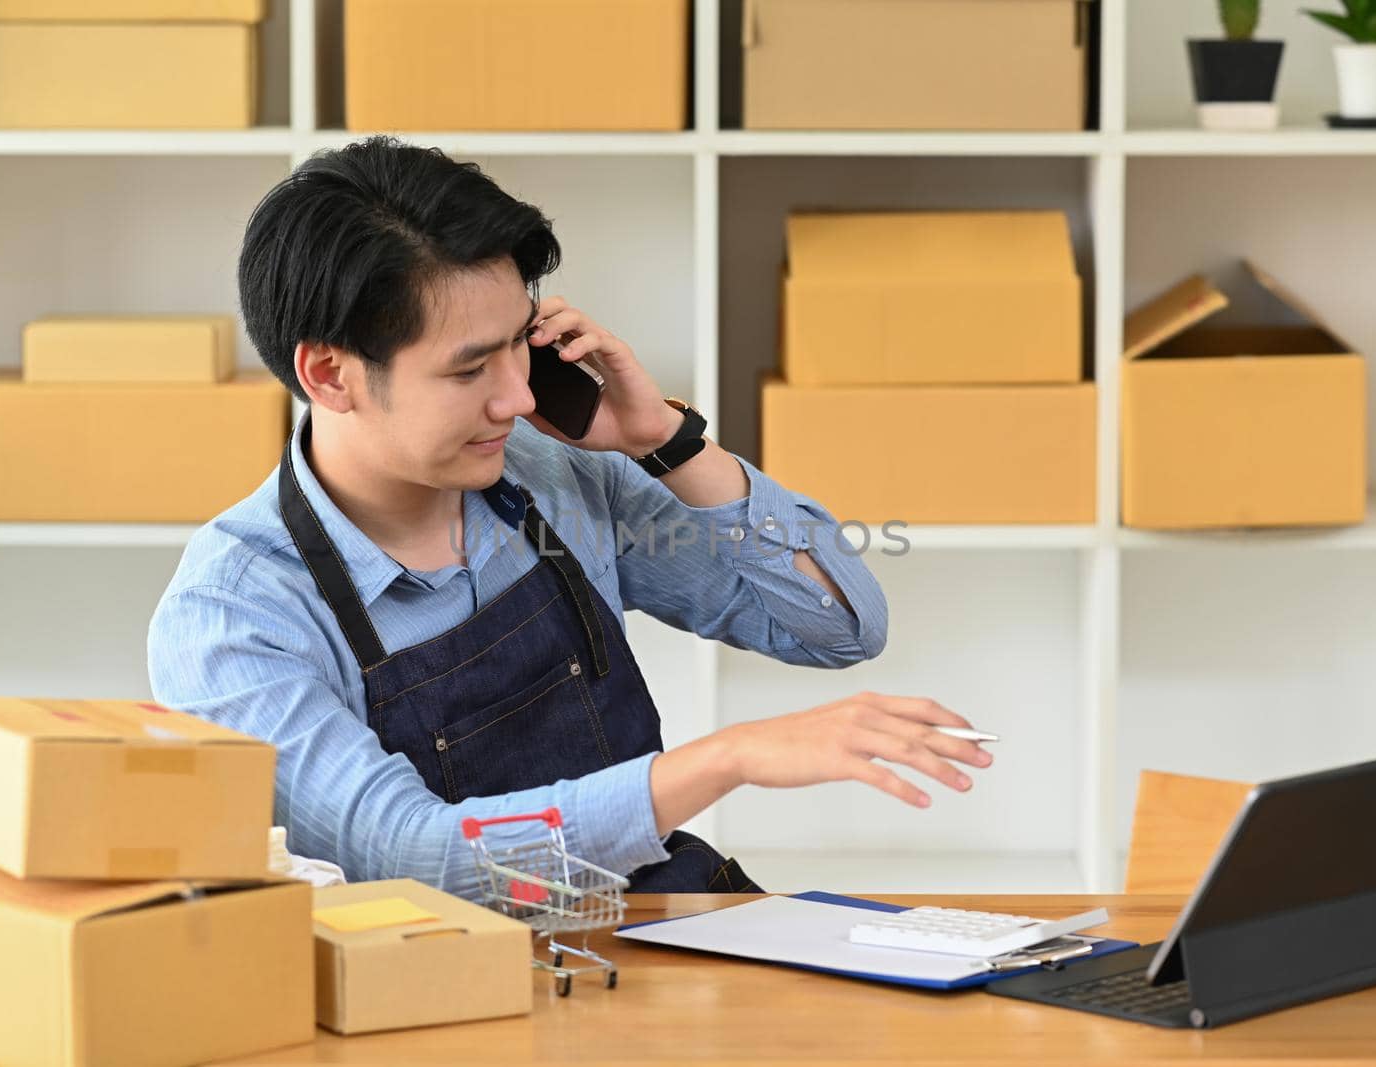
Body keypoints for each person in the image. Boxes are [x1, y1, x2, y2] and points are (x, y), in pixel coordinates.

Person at [147, 136, 992, 897]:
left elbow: (837, 625)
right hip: (455, 1000)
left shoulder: (551, 479)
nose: (518, 397)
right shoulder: (233, 618)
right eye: (470, 367)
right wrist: (727, 757)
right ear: (330, 374)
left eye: (522, 341)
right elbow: (410, 856)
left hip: (659, 933)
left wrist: (664, 440)